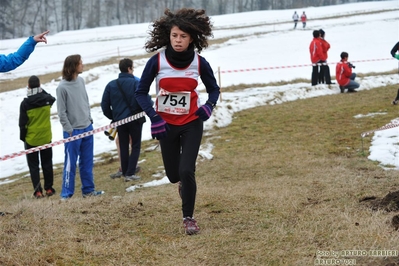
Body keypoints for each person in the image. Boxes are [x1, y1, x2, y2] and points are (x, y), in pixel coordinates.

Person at [135, 8, 220, 235]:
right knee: (174, 176)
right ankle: (181, 183)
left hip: (192, 122)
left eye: (183, 36)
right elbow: (140, 93)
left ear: (192, 37)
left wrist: (208, 106)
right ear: (168, 36)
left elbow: (214, 90)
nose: (178, 40)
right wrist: (154, 118)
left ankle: (189, 218)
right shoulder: (157, 62)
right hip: (166, 125)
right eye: (174, 36)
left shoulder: (200, 63)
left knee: (186, 170)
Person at [56, 54, 104, 199]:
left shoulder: (81, 81)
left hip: (87, 128)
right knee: (70, 164)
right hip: (73, 132)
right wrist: (69, 129)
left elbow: (85, 101)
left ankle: (88, 191)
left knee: (87, 162)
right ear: (73, 66)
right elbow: (61, 112)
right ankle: (66, 194)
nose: (82, 64)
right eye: (80, 63)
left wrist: (89, 119)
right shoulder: (62, 87)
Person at [101, 58, 146, 182]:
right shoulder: (137, 83)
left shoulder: (111, 85)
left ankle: (125, 171)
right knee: (136, 146)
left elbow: (104, 105)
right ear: (129, 68)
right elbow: (145, 100)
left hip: (120, 121)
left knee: (123, 145)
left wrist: (114, 117)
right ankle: (130, 173)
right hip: (136, 120)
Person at [19, 75, 56, 198]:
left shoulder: (25, 103)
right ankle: (49, 188)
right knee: (47, 163)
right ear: (39, 86)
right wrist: (41, 90)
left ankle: (38, 191)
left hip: (31, 139)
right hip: (45, 136)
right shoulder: (47, 99)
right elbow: (52, 98)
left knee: (34, 166)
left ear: (28, 86)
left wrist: (23, 137)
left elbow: (22, 124)